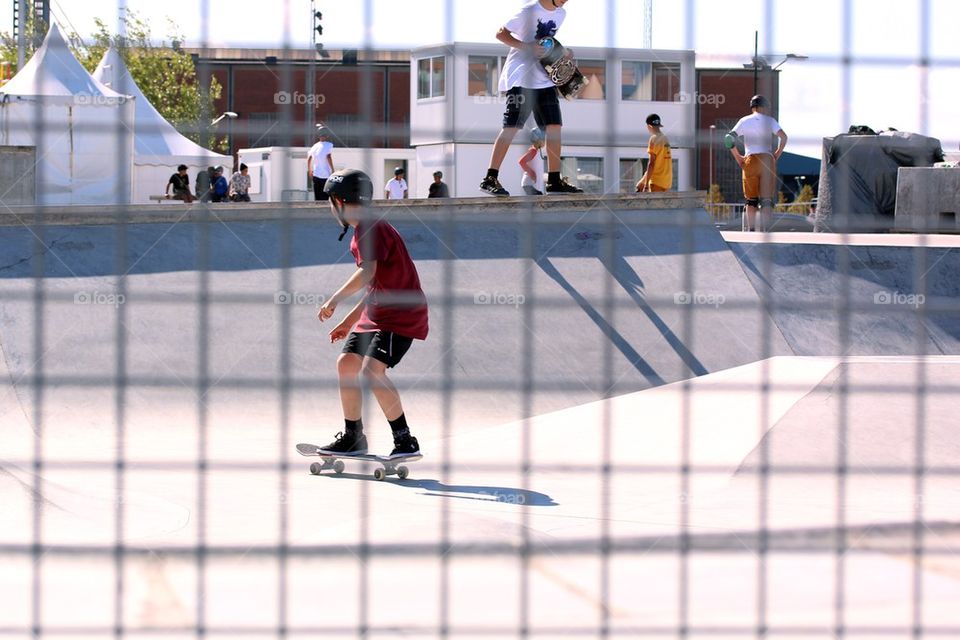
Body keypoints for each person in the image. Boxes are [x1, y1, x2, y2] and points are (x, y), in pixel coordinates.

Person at [316, 169, 428, 458]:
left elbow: (368, 272)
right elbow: (375, 284)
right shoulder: (364, 228)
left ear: (339, 201)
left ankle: (405, 441)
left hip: (400, 315)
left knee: (371, 371)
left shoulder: (370, 228)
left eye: (330, 201)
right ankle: (354, 437)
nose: (329, 208)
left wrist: (334, 300)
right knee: (347, 364)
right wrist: (348, 321)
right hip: (378, 313)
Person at [478, 0, 582, 197]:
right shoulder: (530, 9)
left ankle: (553, 180)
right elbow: (500, 33)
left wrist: (563, 53)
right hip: (520, 78)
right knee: (512, 127)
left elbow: (545, 42)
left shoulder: (561, 14)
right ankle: (490, 178)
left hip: (544, 79)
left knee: (554, 127)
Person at [727, 95, 788, 231]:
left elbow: (728, 139)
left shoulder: (744, 121)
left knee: (751, 200)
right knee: (766, 200)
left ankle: (752, 230)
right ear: (763, 107)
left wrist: (739, 158)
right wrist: (777, 154)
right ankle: (766, 229)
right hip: (767, 160)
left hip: (751, 160)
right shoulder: (770, 121)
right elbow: (783, 137)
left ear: (752, 107)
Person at [635, 113, 673, 192]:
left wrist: (645, 185)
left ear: (649, 126)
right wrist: (642, 182)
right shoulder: (665, 139)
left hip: (656, 182)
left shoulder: (653, 139)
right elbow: (659, 164)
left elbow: (651, 163)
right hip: (666, 182)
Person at [307, 127, 336, 201]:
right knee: (325, 197)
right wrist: (333, 170)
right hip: (326, 175)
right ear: (327, 136)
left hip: (316, 174)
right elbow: (328, 157)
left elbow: (309, 158)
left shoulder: (315, 146)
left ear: (318, 135)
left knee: (317, 197)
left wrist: (310, 170)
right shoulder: (329, 145)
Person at [518, 127, 545, 195]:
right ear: (538, 140)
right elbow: (521, 161)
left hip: (532, 184)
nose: (545, 141)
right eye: (544, 139)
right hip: (529, 184)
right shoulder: (533, 151)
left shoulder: (537, 151)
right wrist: (531, 173)